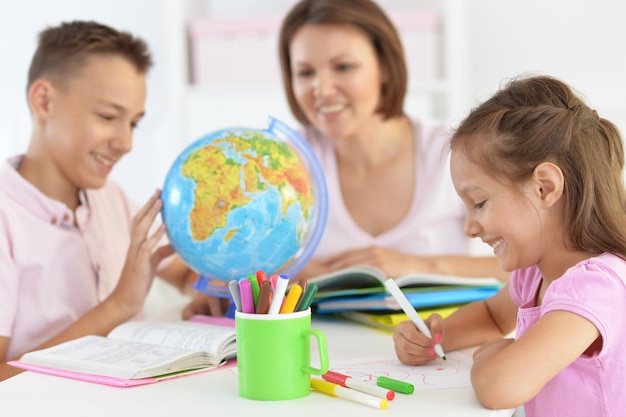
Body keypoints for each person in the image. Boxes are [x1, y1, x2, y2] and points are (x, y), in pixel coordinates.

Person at [0, 21, 228, 381]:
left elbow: (180, 273)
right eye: (108, 117)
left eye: (134, 123)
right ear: (43, 101)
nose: (125, 143)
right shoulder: (6, 218)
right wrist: (119, 306)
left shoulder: (109, 197)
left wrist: (209, 291)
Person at [393, 75, 626, 415]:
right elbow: (490, 316)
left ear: (544, 187)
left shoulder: (594, 287)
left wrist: (490, 358)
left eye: (480, 203)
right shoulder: (535, 273)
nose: (470, 228)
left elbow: (500, 387)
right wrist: (433, 339)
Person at [278, 0, 507, 281]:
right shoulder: (284, 163)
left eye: (344, 67)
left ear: (385, 67)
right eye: (305, 73)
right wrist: (289, 270)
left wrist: (420, 266)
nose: (322, 90)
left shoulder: (454, 150)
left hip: (440, 325)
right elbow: (229, 270)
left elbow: (535, 268)